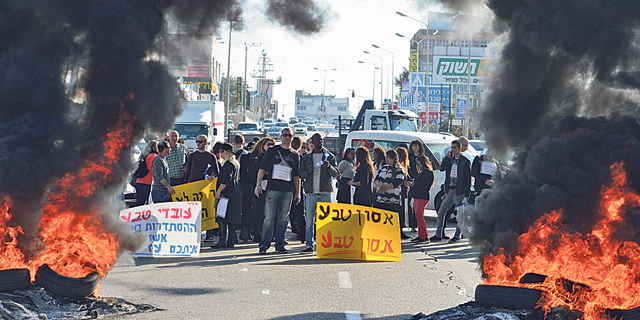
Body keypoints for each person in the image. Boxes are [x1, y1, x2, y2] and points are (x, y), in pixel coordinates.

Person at [255, 127, 301, 254]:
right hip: (272, 189)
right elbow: (262, 168)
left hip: (288, 190)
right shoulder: (272, 151)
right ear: (281, 136)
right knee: (269, 218)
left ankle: (280, 244)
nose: (287, 137)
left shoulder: (295, 154)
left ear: (292, 138)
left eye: (289, 135)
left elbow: (296, 175)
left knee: (283, 219)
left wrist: (298, 192)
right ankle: (264, 245)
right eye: (285, 135)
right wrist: (258, 184)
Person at [299, 133, 338, 253]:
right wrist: (308, 171)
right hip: (311, 192)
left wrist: (328, 167)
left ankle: (323, 244)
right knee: (309, 221)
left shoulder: (329, 156)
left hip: (325, 191)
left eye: (321, 140)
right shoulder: (306, 158)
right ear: (312, 142)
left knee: (325, 221)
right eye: (317, 140)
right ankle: (309, 245)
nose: (319, 142)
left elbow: (336, 173)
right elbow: (301, 174)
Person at [431, 140, 471, 244]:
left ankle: (457, 235)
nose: (452, 149)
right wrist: (447, 158)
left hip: (459, 192)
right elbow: (441, 168)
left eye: (454, 147)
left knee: (460, 214)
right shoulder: (450, 160)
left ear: (459, 149)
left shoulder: (465, 161)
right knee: (441, 211)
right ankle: (438, 233)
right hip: (449, 190)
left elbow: (468, 178)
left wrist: (467, 193)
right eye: (452, 147)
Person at [211, 143, 243, 249]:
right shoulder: (235, 163)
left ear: (227, 152)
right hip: (236, 192)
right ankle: (230, 241)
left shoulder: (229, 164)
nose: (220, 153)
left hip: (228, 193)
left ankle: (222, 241)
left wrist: (218, 192)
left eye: (222, 151)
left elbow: (226, 180)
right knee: (232, 218)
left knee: (222, 217)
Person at [373, 149, 409, 239]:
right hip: (381, 199)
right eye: (386, 157)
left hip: (392, 201)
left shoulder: (399, 169)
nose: (387, 159)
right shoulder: (383, 168)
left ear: (393, 158)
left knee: (391, 221)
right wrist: (379, 186)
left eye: (388, 157)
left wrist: (384, 187)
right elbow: (376, 179)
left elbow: (396, 183)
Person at [250, 137, 275, 243]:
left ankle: (270, 235)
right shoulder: (260, 156)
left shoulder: (274, 156)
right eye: (268, 144)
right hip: (261, 187)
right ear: (263, 145)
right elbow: (258, 170)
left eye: (272, 144)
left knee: (271, 213)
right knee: (259, 212)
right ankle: (256, 234)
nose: (270, 146)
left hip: (272, 187)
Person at [406, 156, 434, 243]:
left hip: (422, 196)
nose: (418, 166)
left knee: (419, 216)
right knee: (418, 216)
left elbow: (423, 185)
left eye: (419, 164)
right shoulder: (423, 173)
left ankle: (424, 236)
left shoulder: (427, 172)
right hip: (418, 196)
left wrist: (413, 184)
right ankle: (420, 235)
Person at [233, 135, 255, 242]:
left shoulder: (230, 154)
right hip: (244, 185)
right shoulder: (247, 155)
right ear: (244, 143)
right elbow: (251, 171)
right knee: (246, 209)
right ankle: (244, 232)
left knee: (234, 210)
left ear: (234, 143)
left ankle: (233, 235)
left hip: (232, 186)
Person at [289, 136, 306, 243]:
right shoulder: (299, 156)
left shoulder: (289, 155)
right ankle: (302, 234)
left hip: (287, 186)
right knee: (300, 213)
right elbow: (300, 174)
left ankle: (296, 229)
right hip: (298, 187)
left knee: (288, 212)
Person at [134, 140, 158, 207]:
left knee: (139, 203)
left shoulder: (144, 155)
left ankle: (137, 216)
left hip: (139, 182)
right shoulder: (153, 156)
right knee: (148, 204)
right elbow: (152, 169)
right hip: (147, 183)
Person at [396, 147, 411, 232]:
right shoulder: (402, 166)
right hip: (401, 190)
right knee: (401, 210)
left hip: (399, 190)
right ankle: (400, 229)